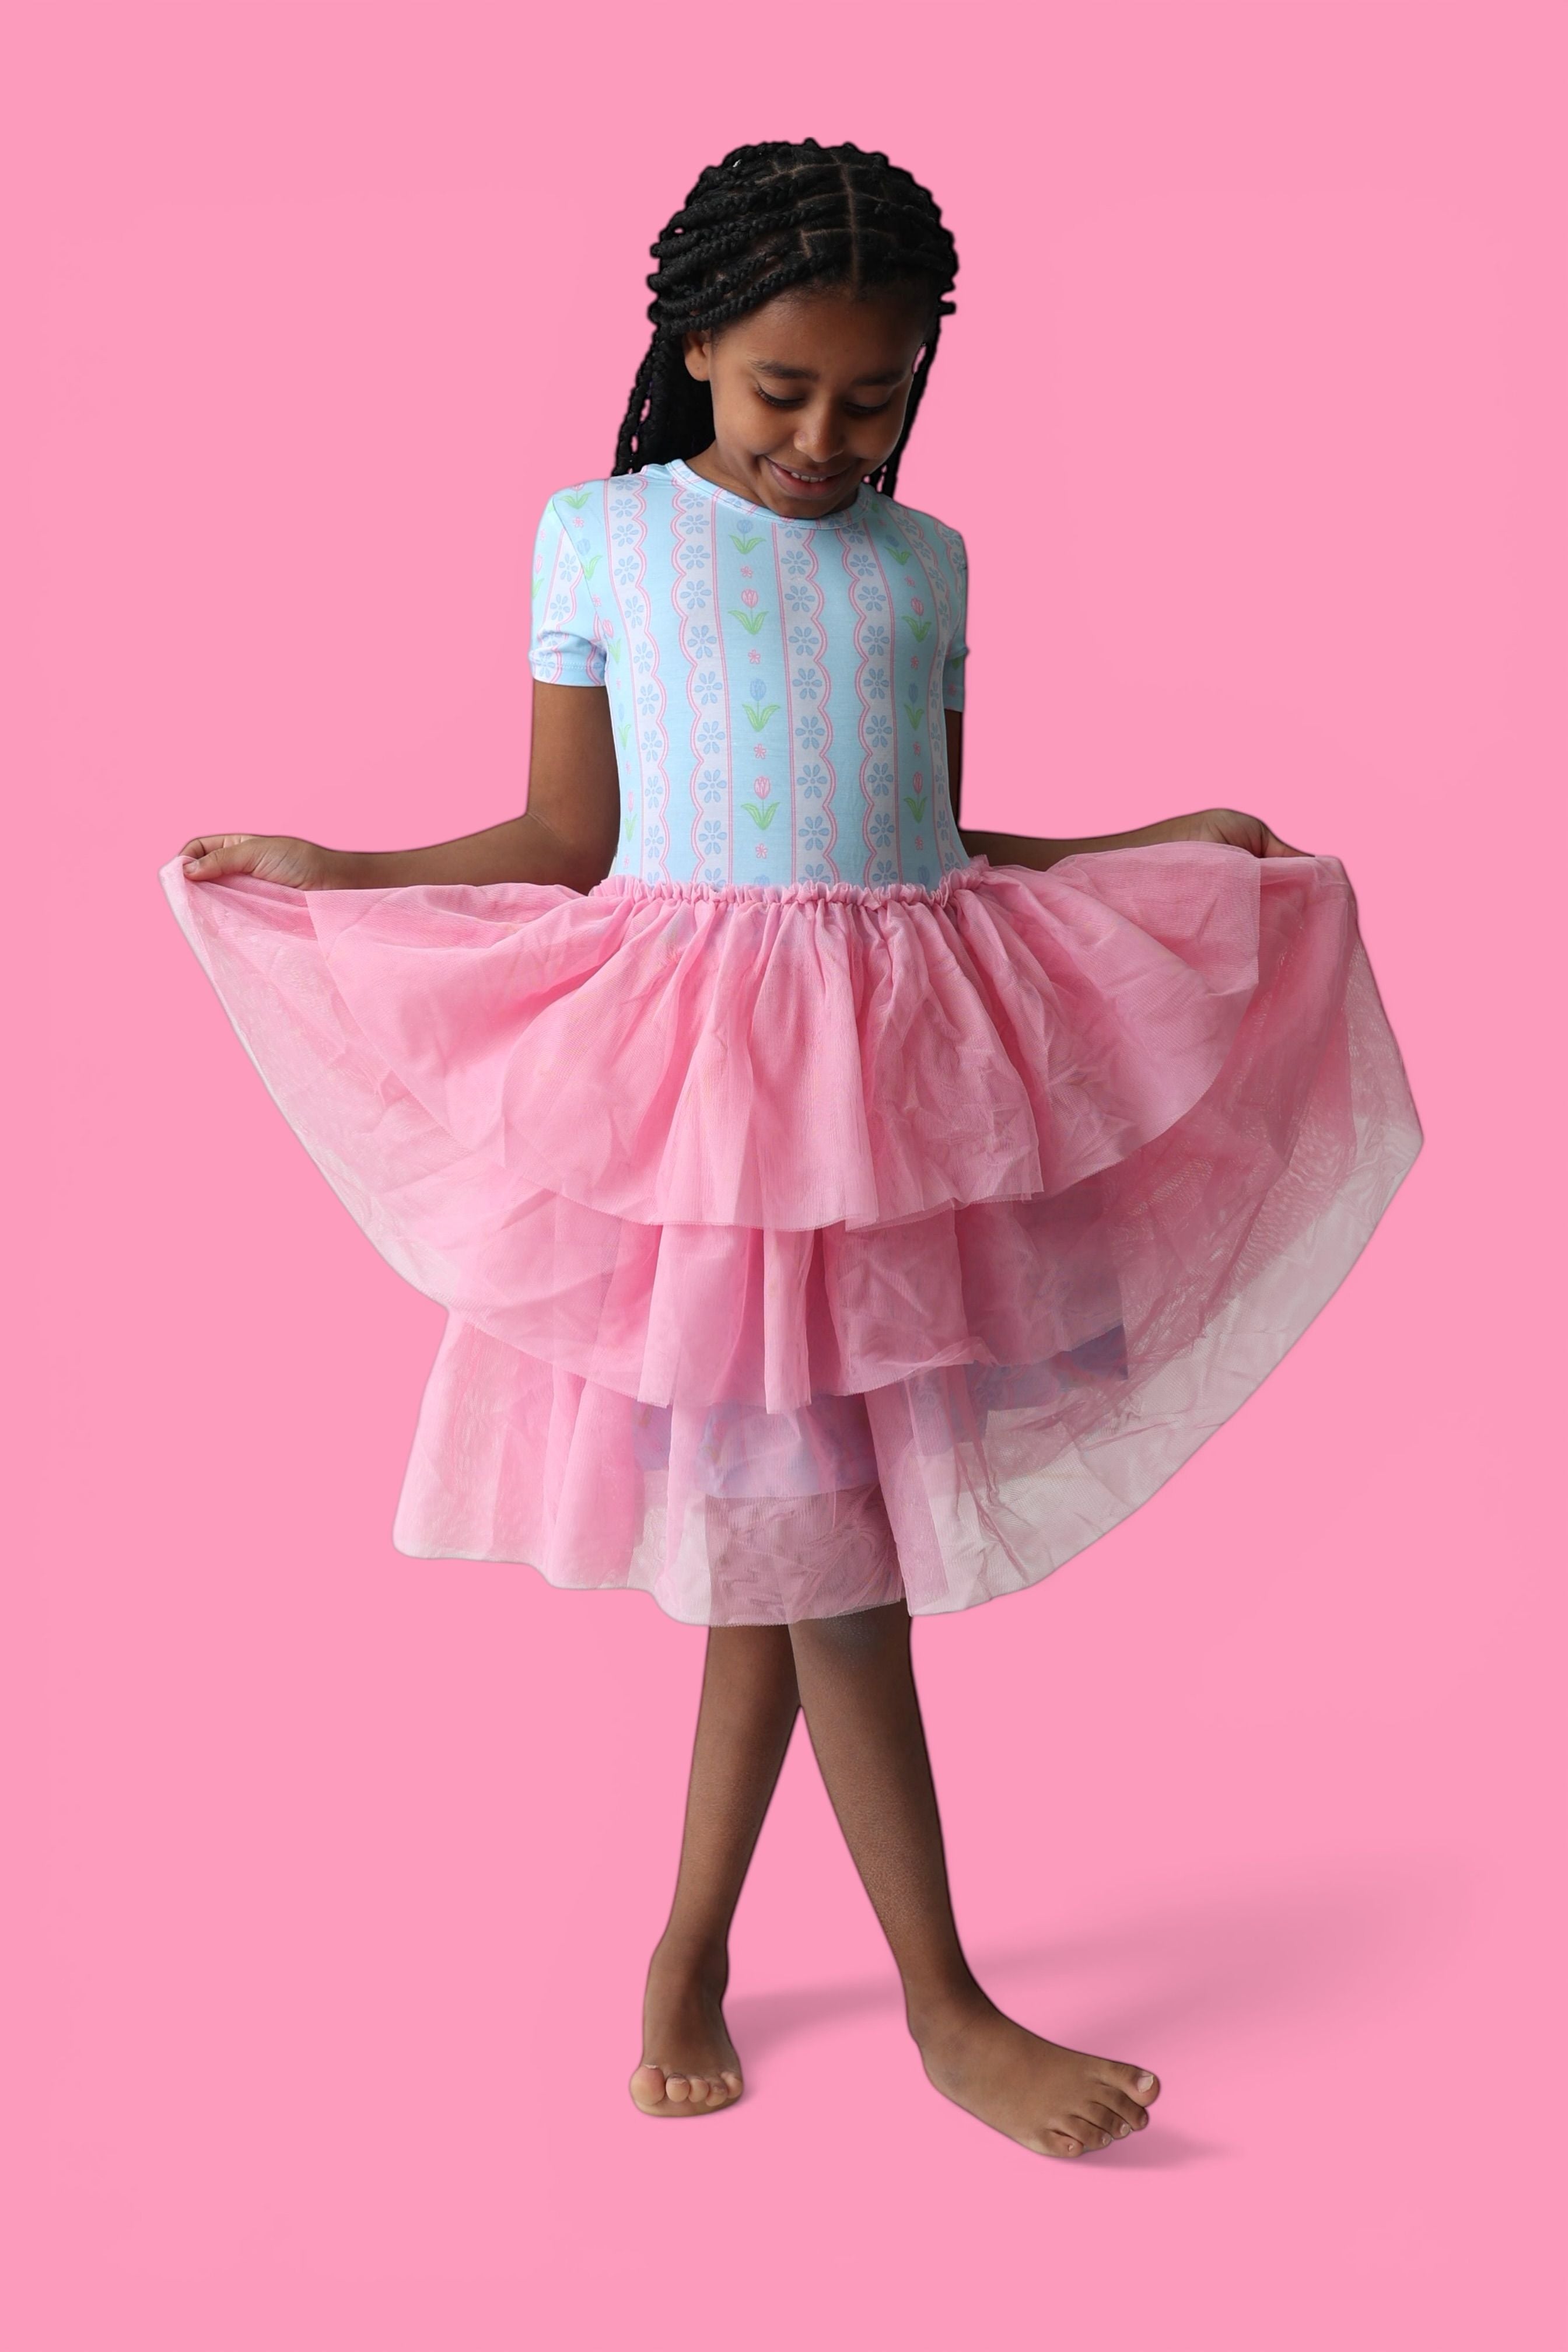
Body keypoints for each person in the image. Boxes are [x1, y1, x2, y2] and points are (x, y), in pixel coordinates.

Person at [162, 139, 1422, 2158]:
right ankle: (947, 2007)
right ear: (691, 349)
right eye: (783, 393)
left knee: (793, 1548)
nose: (829, 440)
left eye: (873, 397)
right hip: (716, 1124)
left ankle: (687, 1951)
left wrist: (1148, 845)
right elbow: (568, 838)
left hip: (899, 1110)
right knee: (831, 1567)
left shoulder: (929, 565)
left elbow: (930, 834)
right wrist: (347, 869)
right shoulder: (602, 537)